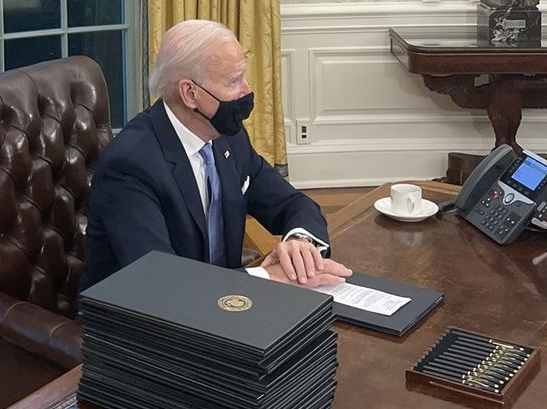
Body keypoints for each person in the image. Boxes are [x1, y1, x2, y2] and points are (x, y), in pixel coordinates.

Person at [80, 20, 353, 292]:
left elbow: (293, 204)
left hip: (223, 305)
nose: (246, 90)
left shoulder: (228, 137)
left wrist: (300, 246)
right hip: (141, 323)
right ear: (190, 93)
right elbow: (160, 282)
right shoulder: (131, 165)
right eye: (234, 81)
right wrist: (271, 277)